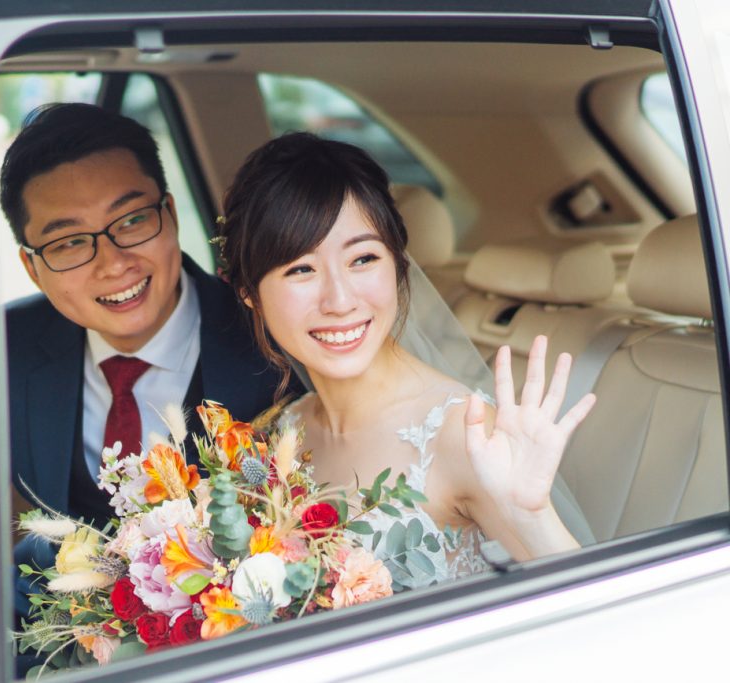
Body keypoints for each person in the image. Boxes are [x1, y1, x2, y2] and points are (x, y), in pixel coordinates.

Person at [214, 133, 596, 583]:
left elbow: (594, 606)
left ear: (397, 264)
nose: (340, 300)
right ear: (249, 293)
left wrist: (532, 517)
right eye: (301, 269)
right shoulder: (280, 433)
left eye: (362, 259)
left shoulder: (466, 436)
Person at [0, 104, 296, 669]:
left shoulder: (274, 343)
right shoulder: (2, 349)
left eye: (132, 220)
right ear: (32, 267)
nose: (113, 263)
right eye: (68, 243)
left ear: (171, 215)